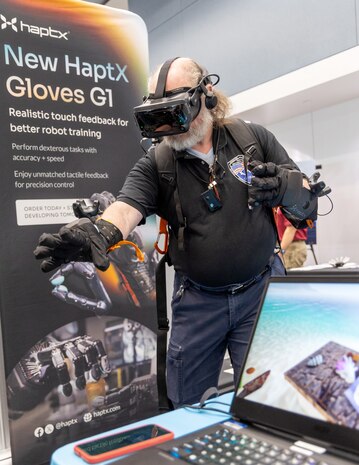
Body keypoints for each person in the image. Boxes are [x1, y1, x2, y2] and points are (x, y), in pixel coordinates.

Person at [34, 57, 327, 408]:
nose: (168, 128)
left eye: (174, 112)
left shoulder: (252, 138)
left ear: (207, 94)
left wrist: (286, 189)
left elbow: (307, 205)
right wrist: (101, 232)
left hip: (261, 293)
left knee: (275, 398)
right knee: (188, 405)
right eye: (157, 117)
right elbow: (126, 207)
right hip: (199, 303)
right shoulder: (157, 163)